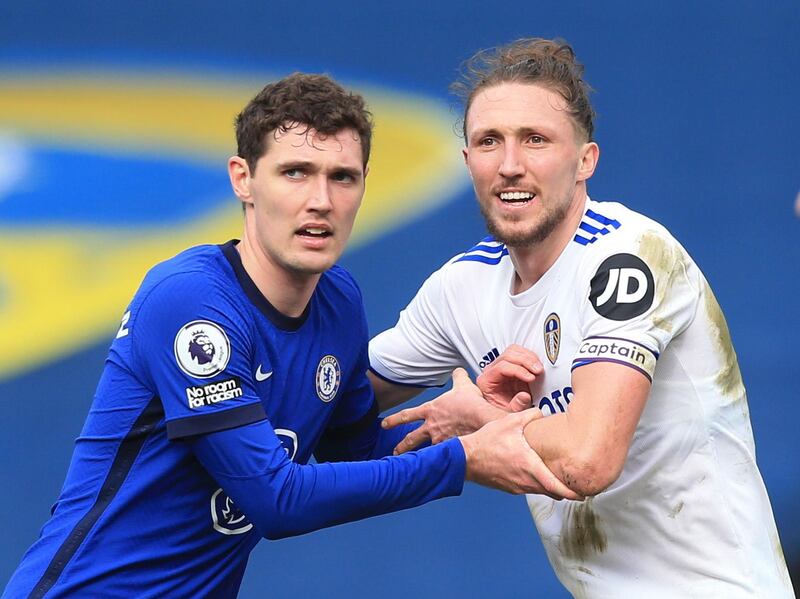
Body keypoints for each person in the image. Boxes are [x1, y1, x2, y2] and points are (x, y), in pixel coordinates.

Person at [3, 73, 572, 599]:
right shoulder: (191, 303)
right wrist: (462, 460)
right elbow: (276, 500)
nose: (320, 201)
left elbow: (358, 452)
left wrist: (450, 421)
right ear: (243, 179)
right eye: (295, 172)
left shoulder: (338, 302)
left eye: (342, 177)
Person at [368, 39, 794, 597]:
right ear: (468, 161)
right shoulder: (461, 287)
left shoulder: (629, 256)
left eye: (536, 140)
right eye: (489, 142)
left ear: (585, 160)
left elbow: (588, 460)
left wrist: (477, 423)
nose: (510, 165)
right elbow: (331, 407)